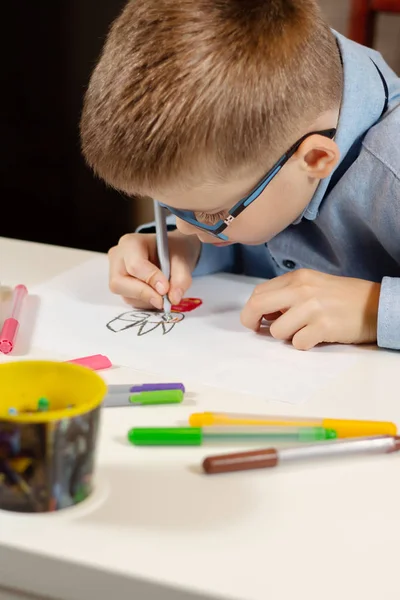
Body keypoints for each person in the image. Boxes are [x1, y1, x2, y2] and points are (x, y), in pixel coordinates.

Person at [80, 0, 400, 351]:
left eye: (213, 214)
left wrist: (373, 309)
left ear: (314, 159)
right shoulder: (284, 127)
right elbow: (265, 240)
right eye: (171, 207)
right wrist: (184, 247)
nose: (185, 224)